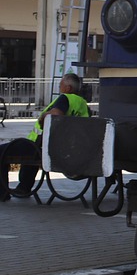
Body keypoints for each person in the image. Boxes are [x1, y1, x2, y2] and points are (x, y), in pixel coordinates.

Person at [0, 73, 89, 201]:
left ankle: (2, 193)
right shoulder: (83, 105)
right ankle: (24, 187)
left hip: (43, 148)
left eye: (61, 85)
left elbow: (54, 115)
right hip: (65, 150)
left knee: (3, 152)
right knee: (26, 149)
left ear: (68, 88)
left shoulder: (65, 98)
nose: (59, 87)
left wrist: (43, 115)